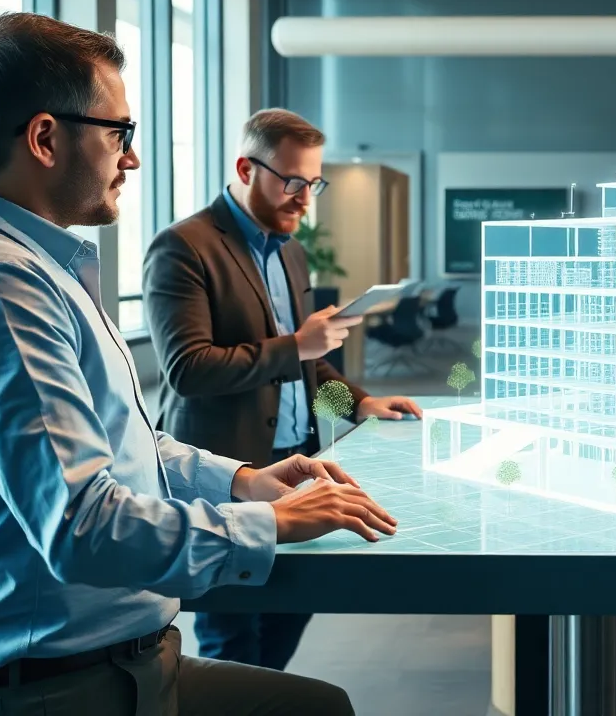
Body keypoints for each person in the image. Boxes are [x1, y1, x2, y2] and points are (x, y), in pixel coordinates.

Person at [0, 12, 400, 715]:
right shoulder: (28, 278)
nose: (131, 158)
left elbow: (305, 380)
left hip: (228, 520)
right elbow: (190, 371)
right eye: (120, 134)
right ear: (45, 138)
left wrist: (346, 414)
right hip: (65, 676)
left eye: (312, 186)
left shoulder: (56, 268)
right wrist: (270, 515)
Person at [142, 107, 421, 670]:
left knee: (292, 608)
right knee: (234, 634)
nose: (305, 198)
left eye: (314, 183)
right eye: (293, 182)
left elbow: (309, 366)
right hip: (226, 471)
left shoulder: (289, 250)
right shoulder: (183, 247)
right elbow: (188, 369)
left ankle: (264, 693)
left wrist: (359, 401)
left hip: (297, 465)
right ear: (247, 168)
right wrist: (296, 343)